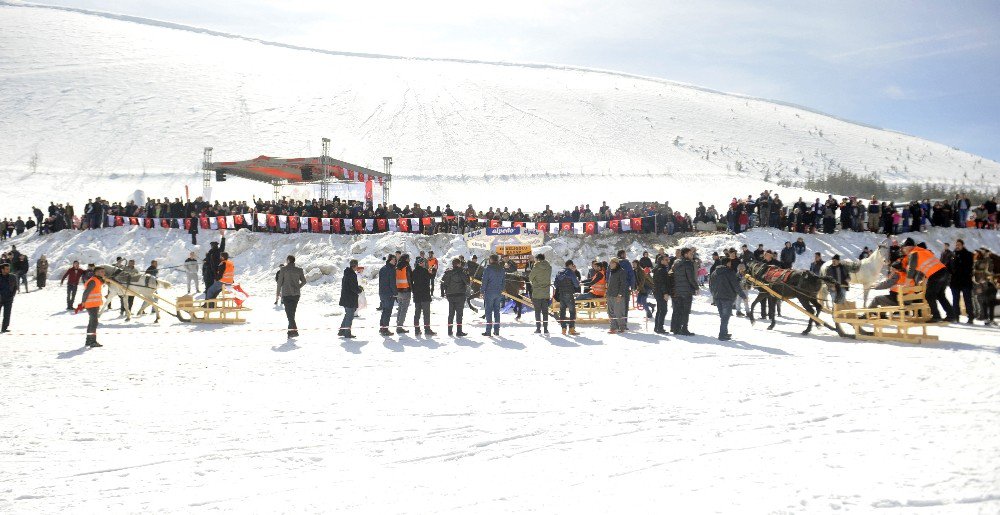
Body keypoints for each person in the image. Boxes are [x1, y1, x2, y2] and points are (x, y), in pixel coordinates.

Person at [901, 237, 953, 322]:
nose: (903, 250)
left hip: (936, 274)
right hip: (944, 272)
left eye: (903, 248)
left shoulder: (914, 253)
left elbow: (911, 269)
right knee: (940, 295)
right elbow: (926, 266)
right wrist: (923, 279)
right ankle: (951, 315)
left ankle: (936, 316)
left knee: (929, 296)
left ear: (908, 246)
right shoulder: (923, 251)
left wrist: (906, 283)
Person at [709, 258, 748, 341]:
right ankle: (722, 335)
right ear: (727, 264)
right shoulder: (730, 272)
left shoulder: (714, 272)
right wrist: (743, 296)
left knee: (723, 316)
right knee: (725, 317)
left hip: (717, 297)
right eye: (730, 263)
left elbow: (711, 285)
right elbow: (736, 286)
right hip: (727, 297)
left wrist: (714, 295)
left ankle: (725, 332)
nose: (731, 265)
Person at [276, 255, 307, 337]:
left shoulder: (283, 269)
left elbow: (279, 283)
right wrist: (298, 287)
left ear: (288, 260)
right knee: (291, 314)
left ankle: (295, 332)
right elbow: (304, 281)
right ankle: (290, 333)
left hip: (286, 294)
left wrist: (277, 293)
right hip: (296, 295)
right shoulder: (299, 270)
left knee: (289, 314)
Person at [670, 247, 697, 336]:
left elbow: (671, 274)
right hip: (686, 291)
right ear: (685, 254)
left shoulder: (676, 262)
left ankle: (676, 328)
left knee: (677, 310)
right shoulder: (688, 263)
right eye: (690, 254)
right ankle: (684, 328)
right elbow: (691, 278)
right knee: (685, 311)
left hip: (677, 290)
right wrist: (696, 287)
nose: (692, 255)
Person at [78, 266, 106, 347]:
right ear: (96, 272)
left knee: (92, 323)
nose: (103, 273)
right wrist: (83, 302)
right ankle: (92, 341)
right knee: (93, 323)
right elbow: (86, 293)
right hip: (91, 305)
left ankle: (89, 340)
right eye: (101, 271)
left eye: (103, 271)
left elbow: (103, 281)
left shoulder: (97, 280)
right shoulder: (93, 281)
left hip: (94, 304)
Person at [441, 258, 470, 336]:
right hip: (460, 295)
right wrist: (467, 274)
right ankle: (459, 331)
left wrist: (445, 293)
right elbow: (467, 282)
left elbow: (443, 283)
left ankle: (449, 331)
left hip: (450, 295)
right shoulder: (462, 272)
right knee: (459, 314)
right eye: (460, 263)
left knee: (451, 314)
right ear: (458, 264)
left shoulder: (448, 272)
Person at [949, 239, 974, 324]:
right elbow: (949, 266)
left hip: (965, 281)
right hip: (955, 282)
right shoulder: (952, 255)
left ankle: (970, 317)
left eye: (959, 244)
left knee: (967, 300)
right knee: (955, 300)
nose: (957, 246)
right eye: (956, 245)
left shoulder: (968, 254)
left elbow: (969, 267)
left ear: (963, 245)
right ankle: (956, 317)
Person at [527, 253, 552, 334]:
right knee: (545, 312)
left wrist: (534, 281)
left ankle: (538, 328)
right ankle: (546, 329)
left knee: (537, 311)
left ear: (537, 259)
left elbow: (530, 277)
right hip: (546, 292)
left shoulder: (536, 267)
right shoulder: (549, 267)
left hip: (537, 292)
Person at [481, 254, 506, 336]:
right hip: (498, 293)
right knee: (497, 312)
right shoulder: (502, 269)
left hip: (489, 292)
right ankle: (496, 330)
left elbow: (484, 281)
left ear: (491, 260)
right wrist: (501, 290)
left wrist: (482, 291)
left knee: (488, 312)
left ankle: (488, 331)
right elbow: (503, 282)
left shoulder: (488, 269)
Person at [554, 260, 581, 335]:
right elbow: (576, 284)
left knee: (562, 312)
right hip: (569, 294)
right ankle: (571, 329)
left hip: (561, 294)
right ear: (570, 265)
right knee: (572, 312)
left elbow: (555, 284)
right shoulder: (570, 272)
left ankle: (563, 329)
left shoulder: (559, 272)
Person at [411, 257, 436, 336]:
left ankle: (417, 330)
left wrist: (414, 292)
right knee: (426, 313)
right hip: (425, 295)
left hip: (417, 295)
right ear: (420, 263)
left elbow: (411, 282)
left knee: (417, 313)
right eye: (423, 262)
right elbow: (432, 277)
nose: (424, 263)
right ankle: (427, 329)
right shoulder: (425, 271)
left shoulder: (414, 272)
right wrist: (434, 270)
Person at [338, 259, 362, 338]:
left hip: (346, 298)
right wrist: (359, 290)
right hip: (350, 299)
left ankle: (342, 331)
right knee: (350, 316)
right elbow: (353, 288)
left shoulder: (347, 273)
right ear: (355, 266)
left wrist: (357, 288)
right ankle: (347, 333)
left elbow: (350, 286)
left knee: (347, 314)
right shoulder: (352, 275)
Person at [605, 258, 629, 334]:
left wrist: (620, 294)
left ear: (616, 263)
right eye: (610, 263)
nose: (610, 264)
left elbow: (623, 284)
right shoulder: (611, 271)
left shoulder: (622, 271)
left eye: (612, 263)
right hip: (610, 294)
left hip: (618, 295)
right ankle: (613, 327)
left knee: (619, 312)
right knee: (610, 312)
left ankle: (622, 327)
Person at [378, 254, 397, 336]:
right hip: (389, 293)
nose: (395, 261)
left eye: (395, 260)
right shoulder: (391, 269)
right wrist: (395, 293)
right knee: (387, 312)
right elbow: (392, 283)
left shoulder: (382, 269)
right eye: (393, 259)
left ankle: (382, 328)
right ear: (389, 260)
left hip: (382, 293)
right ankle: (385, 329)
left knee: (384, 311)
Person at [652, 254, 671, 334]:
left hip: (658, 292)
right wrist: (665, 293)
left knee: (660, 310)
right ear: (661, 261)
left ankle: (657, 327)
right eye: (666, 260)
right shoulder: (661, 270)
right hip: (661, 292)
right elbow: (662, 283)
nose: (668, 261)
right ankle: (659, 328)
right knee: (663, 310)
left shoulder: (659, 268)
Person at [394, 254, 413, 334]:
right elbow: (410, 279)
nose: (409, 260)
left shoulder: (397, 267)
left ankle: (398, 324)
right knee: (404, 310)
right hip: (406, 290)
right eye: (408, 258)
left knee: (400, 308)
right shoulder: (407, 267)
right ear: (406, 259)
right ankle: (400, 327)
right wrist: (412, 288)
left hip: (398, 290)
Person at [0, 263, 17, 333]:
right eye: (6, 269)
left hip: (8, 298)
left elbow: (15, 287)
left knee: (7, 314)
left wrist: (12, 295)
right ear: (2, 269)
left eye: (9, 269)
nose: (8, 270)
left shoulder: (12, 277)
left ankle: (4, 328)